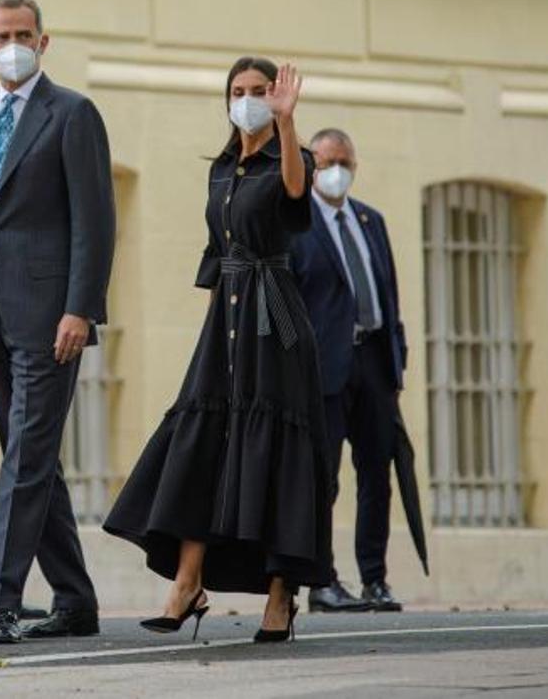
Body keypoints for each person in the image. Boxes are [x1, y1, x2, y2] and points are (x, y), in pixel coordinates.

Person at [104, 56, 330, 645]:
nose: (249, 98)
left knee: (276, 453)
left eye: (260, 91)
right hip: (224, 323)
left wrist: (285, 124)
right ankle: (186, 583)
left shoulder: (292, 156)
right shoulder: (221, 170)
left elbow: (295, 192)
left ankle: (282, 595)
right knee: (202, 446)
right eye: (239, 90)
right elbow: (217, 248)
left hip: (274, 325)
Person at [0, 0, 115, 645]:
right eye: (0, 34)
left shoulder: (72, 114)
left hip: (52, 320)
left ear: (44, 42)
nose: (11, 43)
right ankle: (75, 599)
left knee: (21, 457)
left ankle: (2, 601)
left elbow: (94, 223)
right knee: (35, 458)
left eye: (23, 33)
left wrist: (81, 307)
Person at [290, 128, 408, 613]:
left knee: (377, 474)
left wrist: (396, 360)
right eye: (325, 163)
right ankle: (322, 580)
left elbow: (389, 293)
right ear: (311, 166)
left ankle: (374, 579)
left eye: (344, 162)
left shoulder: (370, 220)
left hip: (374, 363)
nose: (335, 171)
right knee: (324, 478)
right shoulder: (297, 225)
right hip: (324, 368)